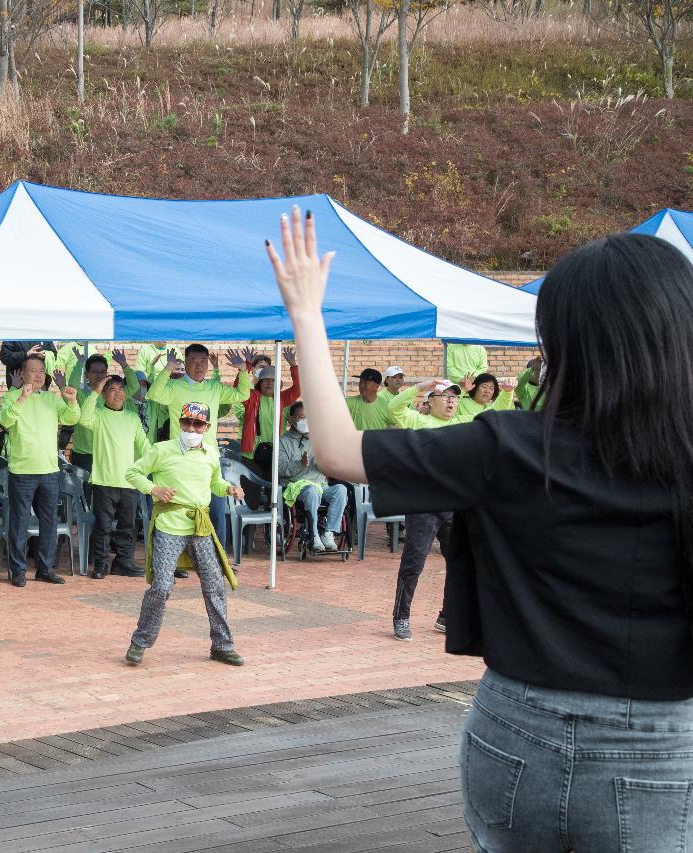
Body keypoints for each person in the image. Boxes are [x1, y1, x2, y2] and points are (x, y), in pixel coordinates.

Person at [270, 212, 693, 851]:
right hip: (663, 743)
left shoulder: (508, 447)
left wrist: (307, 314)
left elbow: (336, 450)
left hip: (519, 728)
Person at [123, 402, 245, 667]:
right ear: (179, 423)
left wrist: (230, 489)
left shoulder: (210, 454)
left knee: (215, 586)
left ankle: (222, 646)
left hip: (199, 527)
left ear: (207, 428)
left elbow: (215, 483)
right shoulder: (161, 450)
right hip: (169, 526)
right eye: (186, 422)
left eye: (197, 424)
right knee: (161, 587)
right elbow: (133, 472)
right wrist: (154, 489)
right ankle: (140, 641)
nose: (191, 428)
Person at [146, 344, 252, 547]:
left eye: (203, 360)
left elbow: (242, 395)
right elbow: (154, 394)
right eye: (193, 360)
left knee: (216, 508)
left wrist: (243, 370)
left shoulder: (214, 387)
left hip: (208, 457)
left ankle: (217, 559)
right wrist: (167, 368)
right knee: (180, 509)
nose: (199, 365)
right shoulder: (175, 387)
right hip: (180, 457)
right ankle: (179, 558)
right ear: (185, 362)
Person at [384, 377, 459, 639]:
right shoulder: (419, 422)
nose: (451, 401)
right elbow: (393, 408)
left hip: (453, 505)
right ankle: (401, 617)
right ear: (431, 401)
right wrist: (420, 387)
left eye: (454, 397)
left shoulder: (463, 425)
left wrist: (506, 395)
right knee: (414, 562)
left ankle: (447, 616)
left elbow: (490, 414)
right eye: (445, 396)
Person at [0, 355, 81, 587]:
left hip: (49, 470)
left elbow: (71, 417)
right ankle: (18, 571)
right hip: (22, 471)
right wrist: (22, 398)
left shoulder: (51, 399)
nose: (37, 375)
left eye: (41, 371)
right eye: (32, 370)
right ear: (22, 373)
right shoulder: (11, 397)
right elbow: (5, 421)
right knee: (19, 523)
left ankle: (45, 568)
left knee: (49, 522)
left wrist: (72, 401)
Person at [79, 374, 150, 579]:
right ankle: (101, 564)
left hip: (128, 481)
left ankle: (123, 562)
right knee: (103, 527)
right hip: (103, 482)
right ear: (103, 394)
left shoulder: (132, 417)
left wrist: (162, 462)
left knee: (128, 527)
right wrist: (94, 392)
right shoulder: (98, 415)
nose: (118, 394)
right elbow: (83, 419)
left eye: (121, 389)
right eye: (111, 389)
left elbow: (144, 446)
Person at [278, 402, 348, 552]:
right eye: (302, 417)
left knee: (341, 490)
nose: (306, 421)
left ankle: (328, 533)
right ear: (291, 420)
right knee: (312, 491)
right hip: (296, 486)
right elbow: (279, 469)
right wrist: (300, 463)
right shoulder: (283, 442)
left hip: (320, 484)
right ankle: (314, 535)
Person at [67, 349, 139, 472]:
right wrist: (79, 363)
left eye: (102, 371)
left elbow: (134, 386)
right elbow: (72, 385)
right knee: (86, 490)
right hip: (85, 455)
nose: (99, 375)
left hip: (108, 453)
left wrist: (124, 364)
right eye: (94, 372)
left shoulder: (112, 394)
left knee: (106, 490)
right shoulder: (82, 394)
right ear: (87, 375)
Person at [237, 347, 299, 467]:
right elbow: (239, 387)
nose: (270, 383)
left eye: (273, 380)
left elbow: (298, 389)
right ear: (260, 383)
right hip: (252, 454)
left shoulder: (282, 398)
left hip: (277, 451)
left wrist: (293, 365)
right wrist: (247, 365)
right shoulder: (251, 396)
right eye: (266, 380)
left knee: (272, 485)